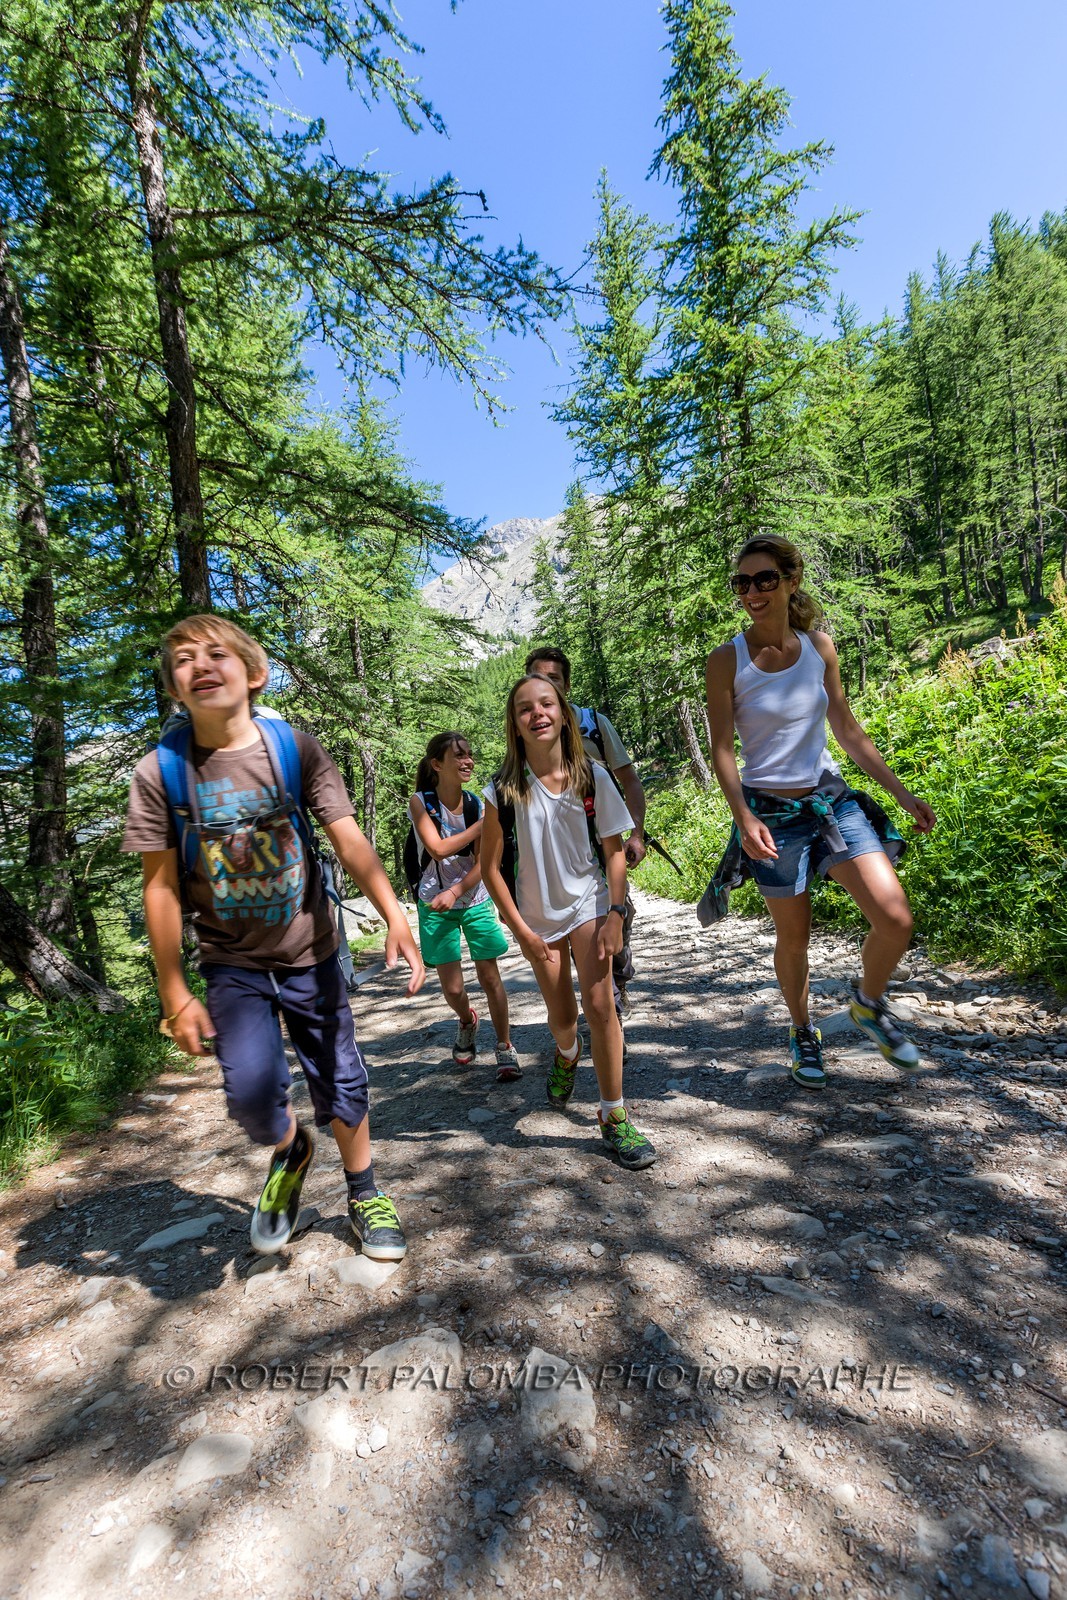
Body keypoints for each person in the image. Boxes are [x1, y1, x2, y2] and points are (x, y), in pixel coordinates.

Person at [123, 615, 424, 1259]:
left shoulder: (294, 751)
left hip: (311, 951)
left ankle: (365, 1191)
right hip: (230, 961)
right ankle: (291, 1149)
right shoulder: (161, 773)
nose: (199, 665)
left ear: (254, 673)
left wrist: (395, 915)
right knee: (252, 1097)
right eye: (183, 659)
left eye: (216, 653)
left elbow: (349, 839)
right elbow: (161, 887)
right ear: (174, 687)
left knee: (340, 1078)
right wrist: (174, 989)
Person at [705, 536, 936, 1091]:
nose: (753, 592)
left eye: (764, 579)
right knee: (795, 937)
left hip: (831, 802)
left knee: (895, 918)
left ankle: (868, 1004)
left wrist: (901, 793)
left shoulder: (818, 648)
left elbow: (847, 730)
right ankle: (803, 1029)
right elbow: (722, 750)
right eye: (742, 583)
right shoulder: (726, 660)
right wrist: (743, 817)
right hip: (771, 815)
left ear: (791, 581)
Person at [480, 674, 656, 1170]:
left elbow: (613, 851)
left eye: (547, 704)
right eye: (525, 708)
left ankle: (613, 1115)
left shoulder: (591, 776)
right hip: (537, 918)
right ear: (515, 725)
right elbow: (490, 868)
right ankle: (567, 1050)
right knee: (561, 1017)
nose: (537, 713)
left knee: (601, 1007)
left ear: (563, 714)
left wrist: (616, 913)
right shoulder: (502, 790)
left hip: (589, 904)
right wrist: (522, 931)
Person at [523, 647, 645, 1020]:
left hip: (601, 841)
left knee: (616, 917)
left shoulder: (593, 724)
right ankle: (604, 1007)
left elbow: (629, 780)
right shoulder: (526, 730)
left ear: (567, 685)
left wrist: (636, 834)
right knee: (584, 939)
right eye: (538, 677)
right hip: (557, 856)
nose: (545, 684)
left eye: (554, 678)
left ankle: (614, 989)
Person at [407, 732, 520, 1081]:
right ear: (437, 764)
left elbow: (484, 864)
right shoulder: (420, 802)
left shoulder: (475, 803)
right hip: (434, 901)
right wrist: (482, 826)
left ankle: (504, 1047)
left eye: (469, 754)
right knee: (454, 989)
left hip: (474, 899)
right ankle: (467, 1020)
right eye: (458, 755)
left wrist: (456, 891)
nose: (468, 760)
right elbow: (438, 849)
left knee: (490, 977)